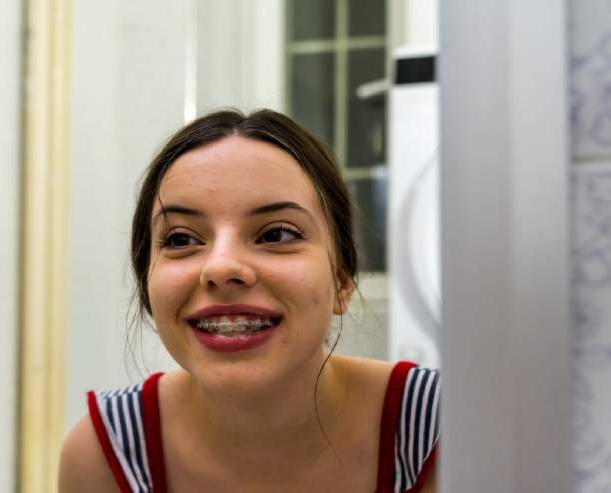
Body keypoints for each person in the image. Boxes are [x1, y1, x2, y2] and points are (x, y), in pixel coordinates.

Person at [58, 109, 439, 493]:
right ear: (148, 286)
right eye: (180, 240)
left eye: (276, 234)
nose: (221, 267)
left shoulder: (442, 431)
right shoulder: (106, 454)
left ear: (342, 281)